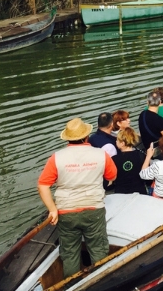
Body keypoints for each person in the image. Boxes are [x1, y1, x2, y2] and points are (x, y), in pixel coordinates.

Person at [37, 117, 117, 278]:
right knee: (98, 249)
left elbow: (43, 185)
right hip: (94, 209)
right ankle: (101, 280)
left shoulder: (56, 157)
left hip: (66, 212)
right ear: (86, 137)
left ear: (68, 138)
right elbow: (112, 176)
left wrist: (52, 210)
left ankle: (71, 286)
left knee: (70, 253)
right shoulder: (101, 154)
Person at [112, 128, 149, 195]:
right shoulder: (141, 155)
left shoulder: (114, 159)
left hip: (121, 193)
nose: (116, 141)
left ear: (122, 143)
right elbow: (147, 177)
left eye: (117, 140)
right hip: (140, 192)